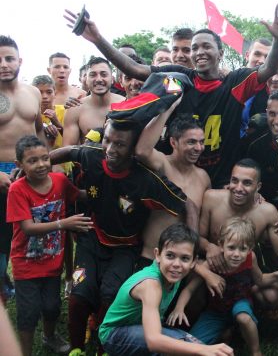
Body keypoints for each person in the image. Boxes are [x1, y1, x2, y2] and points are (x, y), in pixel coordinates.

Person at [65, 2, 278, 187]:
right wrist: (97, 39)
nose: (199, 52)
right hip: (179, 180)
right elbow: (134, 69)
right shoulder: (177, 79)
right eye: (194, 48)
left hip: (221, 183)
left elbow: (269, 69)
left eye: (206, 46)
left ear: (221, 53)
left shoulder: (234, 83)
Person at [49, 119, 192, 354]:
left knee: (110, 294)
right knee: (79, 296)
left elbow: (187, 204)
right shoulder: (93, 155)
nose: (110, 149)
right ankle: (76, 349)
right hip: (91, 238)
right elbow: (69, 151)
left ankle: (105, 348)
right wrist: (36, 165)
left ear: (133, 148)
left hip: (125, 248)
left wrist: (191, 240)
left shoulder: (146, 179)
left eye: (120, 144)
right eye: (107, 140)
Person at [6, 136, 92, 355]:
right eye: (32, 161)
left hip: (53, 261)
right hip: (25, 263)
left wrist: (101, 189)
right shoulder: (18, 189)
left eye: (45, 158)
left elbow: (80, 195)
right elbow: (27, 227)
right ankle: (24, 351)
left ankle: (49, 335)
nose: (41, 164)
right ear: (19, 165)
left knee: (52, 306)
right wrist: (64, 223)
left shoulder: (60, 181)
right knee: (28, 312)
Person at [99, 223, 234, 356]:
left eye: (184, 258)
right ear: (157, 255)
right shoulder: (151, 285)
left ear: (193, 261)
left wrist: (207, 274)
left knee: (193, 343)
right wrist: (204, 350)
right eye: (170, 256)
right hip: (114, 335)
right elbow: (153, 341)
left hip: (143, 328)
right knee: (190, 348)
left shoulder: (172, 272)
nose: (176, 264)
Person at [168, 217, 278, 356]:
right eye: (231, 248)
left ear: (250, 248)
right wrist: (179, 308)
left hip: (241, 303)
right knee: (192, 345)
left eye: (243, 249)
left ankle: (256, 352)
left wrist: (277, 275)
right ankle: (227, 331)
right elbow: (189, 289)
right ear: (221, 245)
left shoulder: (250, 258)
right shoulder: (212, 264)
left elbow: (259, 279)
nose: (236, 254)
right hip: (216, 311)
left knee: (243, 317)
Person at [199, 159, 278, 307]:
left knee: (272, 296)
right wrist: (209, 247)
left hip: (244, 276)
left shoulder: (267, 211)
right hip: (212, 267)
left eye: (247, 183)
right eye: (234, 180)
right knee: (195, 285)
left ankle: (247, 316)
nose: (238, 188)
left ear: (258, 187)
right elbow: (197, 237)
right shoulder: (211, 198)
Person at [135, 95, 211, 261]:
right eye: (191, 142)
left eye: (201, 142)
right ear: (173, 142)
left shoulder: (203, 178)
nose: (198, 148)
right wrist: (167, 108)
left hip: (185, 265)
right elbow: (141, 151)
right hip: (151, 260)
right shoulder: (162, 164)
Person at [0, 35, 45, 304]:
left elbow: (38, 129)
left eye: (9, 58)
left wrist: (45, 161)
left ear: (20, 61)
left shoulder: (34, 92)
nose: (3, 64)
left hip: (28, 171)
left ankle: (32, 288)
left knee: (30, 232)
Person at [246, 89, 278, 202]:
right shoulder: (255, 145)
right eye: (272, 114)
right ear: (266, 113)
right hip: (264, 208)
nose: (277, 120)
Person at [62, 57, 124, 146]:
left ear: (112, 79)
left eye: (104, 74)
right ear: (86, 79)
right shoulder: (75, 110)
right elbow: (68, 149)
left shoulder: (125, 104)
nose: (98, 79)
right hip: (87, 159)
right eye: (93, 75)